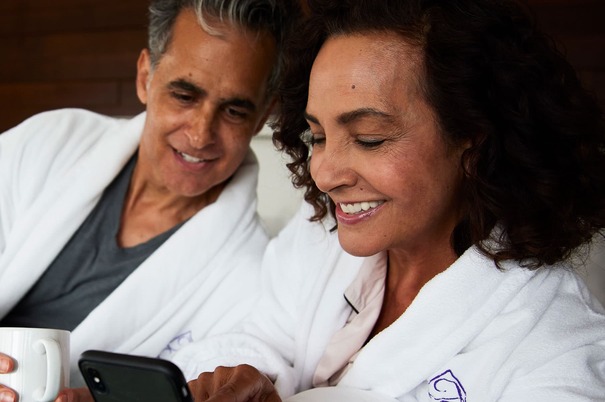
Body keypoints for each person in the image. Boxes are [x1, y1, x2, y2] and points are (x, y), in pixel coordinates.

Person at [175, 0, 605, 401]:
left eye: (369, 139)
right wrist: (252, 377)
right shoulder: (318, 233)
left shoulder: (557, 351)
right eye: (318, 137)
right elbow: (264, 334)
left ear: (474, 143)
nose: (324, 175)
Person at [0, 0, 296, 400]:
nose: (199, 135)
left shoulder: (251, 282)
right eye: (184, 95)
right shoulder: (48, 143)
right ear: (145, 77)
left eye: (233, 111)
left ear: (263, 116)